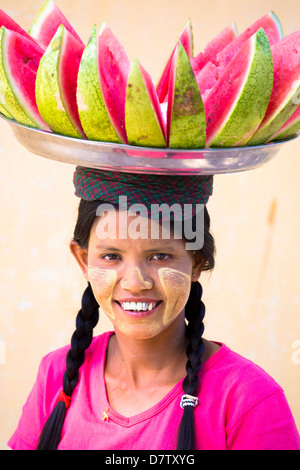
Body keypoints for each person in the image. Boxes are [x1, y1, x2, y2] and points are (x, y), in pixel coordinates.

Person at [8, 169, 300, 450]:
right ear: (84, 260)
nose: (136, 283)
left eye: (160, 256)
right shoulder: (56, 374)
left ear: (196, 262)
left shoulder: (247, 398)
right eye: (111, 256)